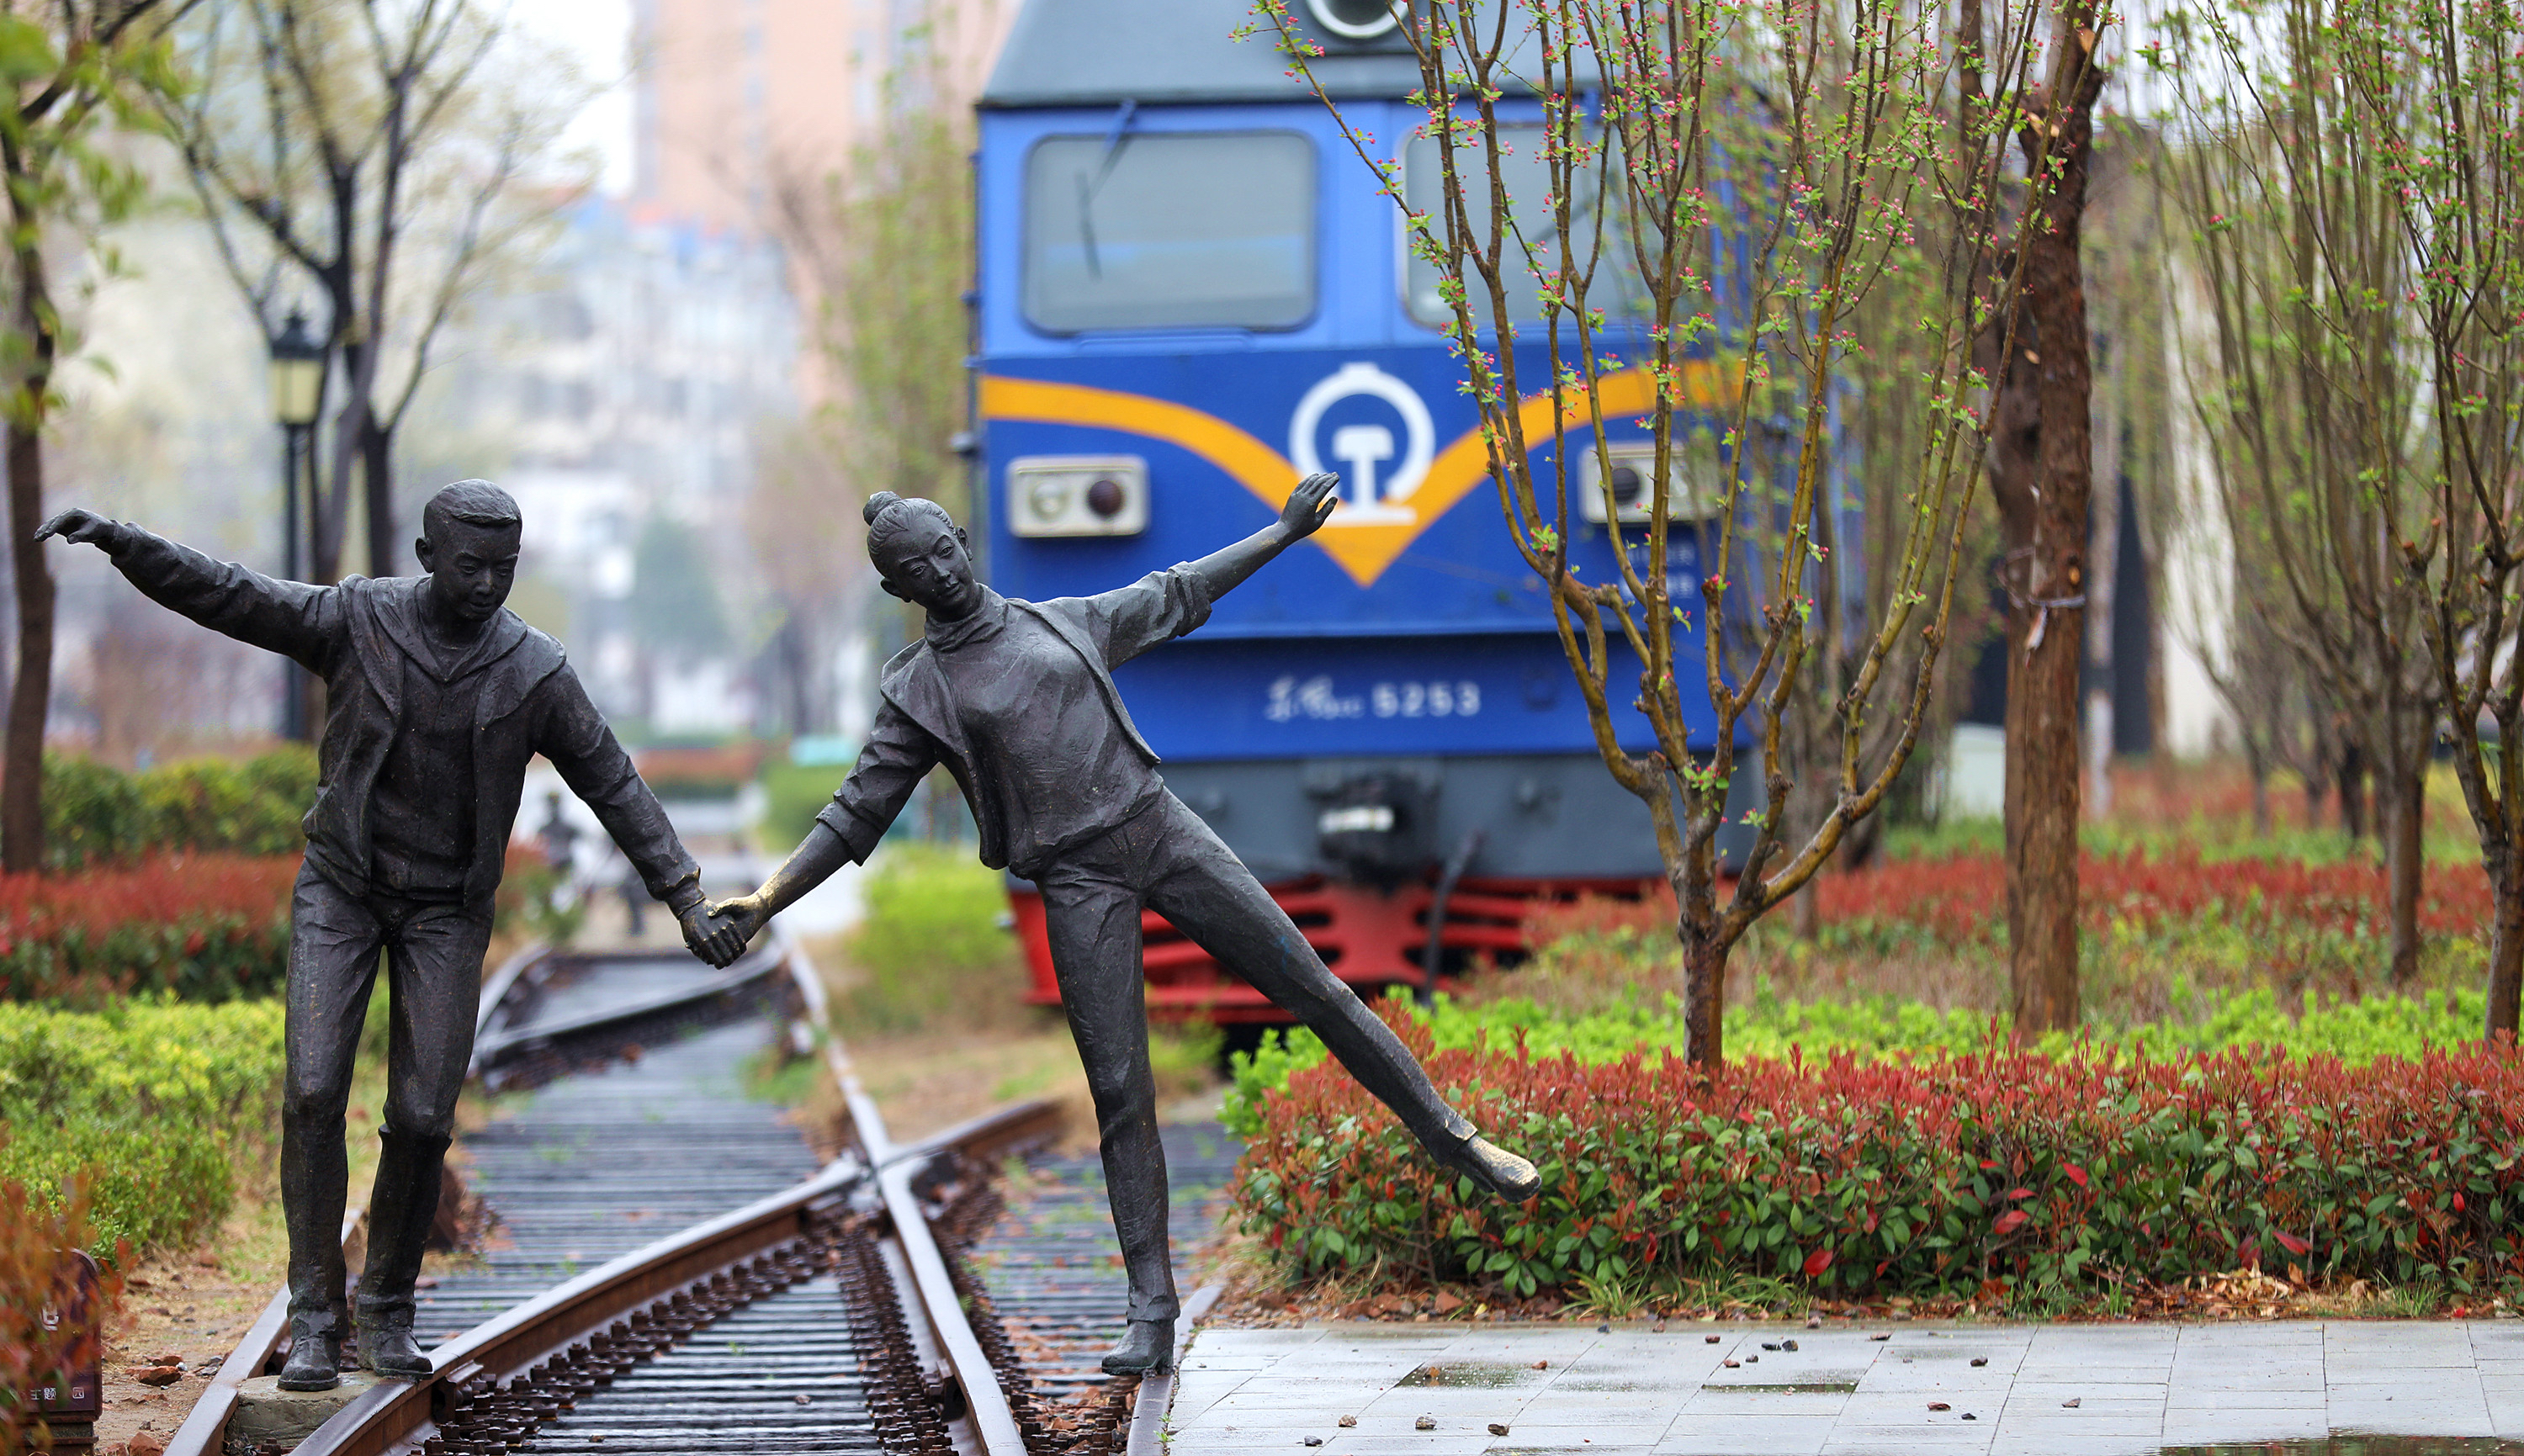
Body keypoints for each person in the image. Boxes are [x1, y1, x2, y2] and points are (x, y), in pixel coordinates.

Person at [688, 474, 1540, 1376]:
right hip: (1077, 878)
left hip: (1162, 829)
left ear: (962, 540)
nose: (939, 570)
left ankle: (1456, 1139)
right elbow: (856, 811)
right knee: (1122, 1093)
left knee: (1315, 986)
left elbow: (1178, 590)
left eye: (944, 548)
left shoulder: (1063, 621)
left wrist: (1284, 533)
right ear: (897, 589)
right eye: (915, 567)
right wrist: (770, 895)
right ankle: (1152, 1310)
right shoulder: (922, 690)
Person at [39, 483, 719, 1390]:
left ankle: (388, 1304)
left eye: (505, 567)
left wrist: (685, 895)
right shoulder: (358, 619)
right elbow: (234, 594)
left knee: (425, 1115)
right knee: (315, 1090)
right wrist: (127, 542)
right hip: (343, 888)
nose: (487, 584)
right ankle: (316, 1314)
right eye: (470, 564)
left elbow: (613, 782)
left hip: (446, 909)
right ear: (427, 551)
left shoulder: (535, 670)